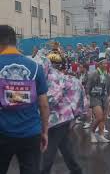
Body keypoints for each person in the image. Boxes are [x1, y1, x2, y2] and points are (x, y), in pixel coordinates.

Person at [0, 25, 49, 174]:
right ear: (16, 42)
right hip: (30, 133)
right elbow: (44, 105)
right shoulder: (35, 68)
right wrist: (45, 131)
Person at [40, 51, 83, 174]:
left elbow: (50, 101)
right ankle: (77, 171)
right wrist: (75, 116)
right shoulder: (67, 78)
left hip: (55, 121)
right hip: (63, 119)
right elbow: (80, 98)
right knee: (66, 148)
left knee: (47, 152)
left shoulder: (54, 78)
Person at [87, 58, 110, 143]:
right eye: (104, 64)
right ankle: (92, 132)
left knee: (104, 118)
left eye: (106, 63)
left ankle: (101, 135)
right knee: (99, 117)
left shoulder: (108, 76)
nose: (106, 65)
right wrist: (88, 97)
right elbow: (88, 87)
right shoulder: (93, 74)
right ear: (99, 64)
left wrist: (109, 96)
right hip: (95, 97)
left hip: (104, 97)